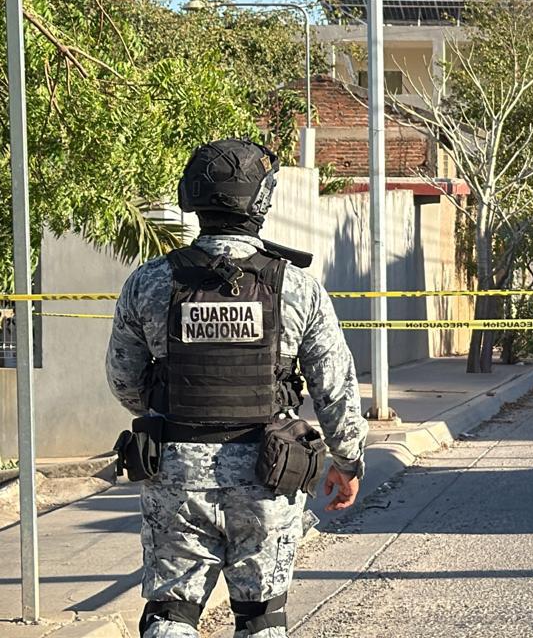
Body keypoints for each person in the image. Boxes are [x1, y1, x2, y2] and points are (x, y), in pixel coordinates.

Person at [106, 139, 369, 637]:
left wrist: (171, 408)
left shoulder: (149, 282)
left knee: (170, 616)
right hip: (269, 472)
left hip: (175, 472)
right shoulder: (296, 286)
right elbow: (335, 388)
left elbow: (123, 380)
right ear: (262, 201)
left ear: (193, 198)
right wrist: (348, 460)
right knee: (261, 618)